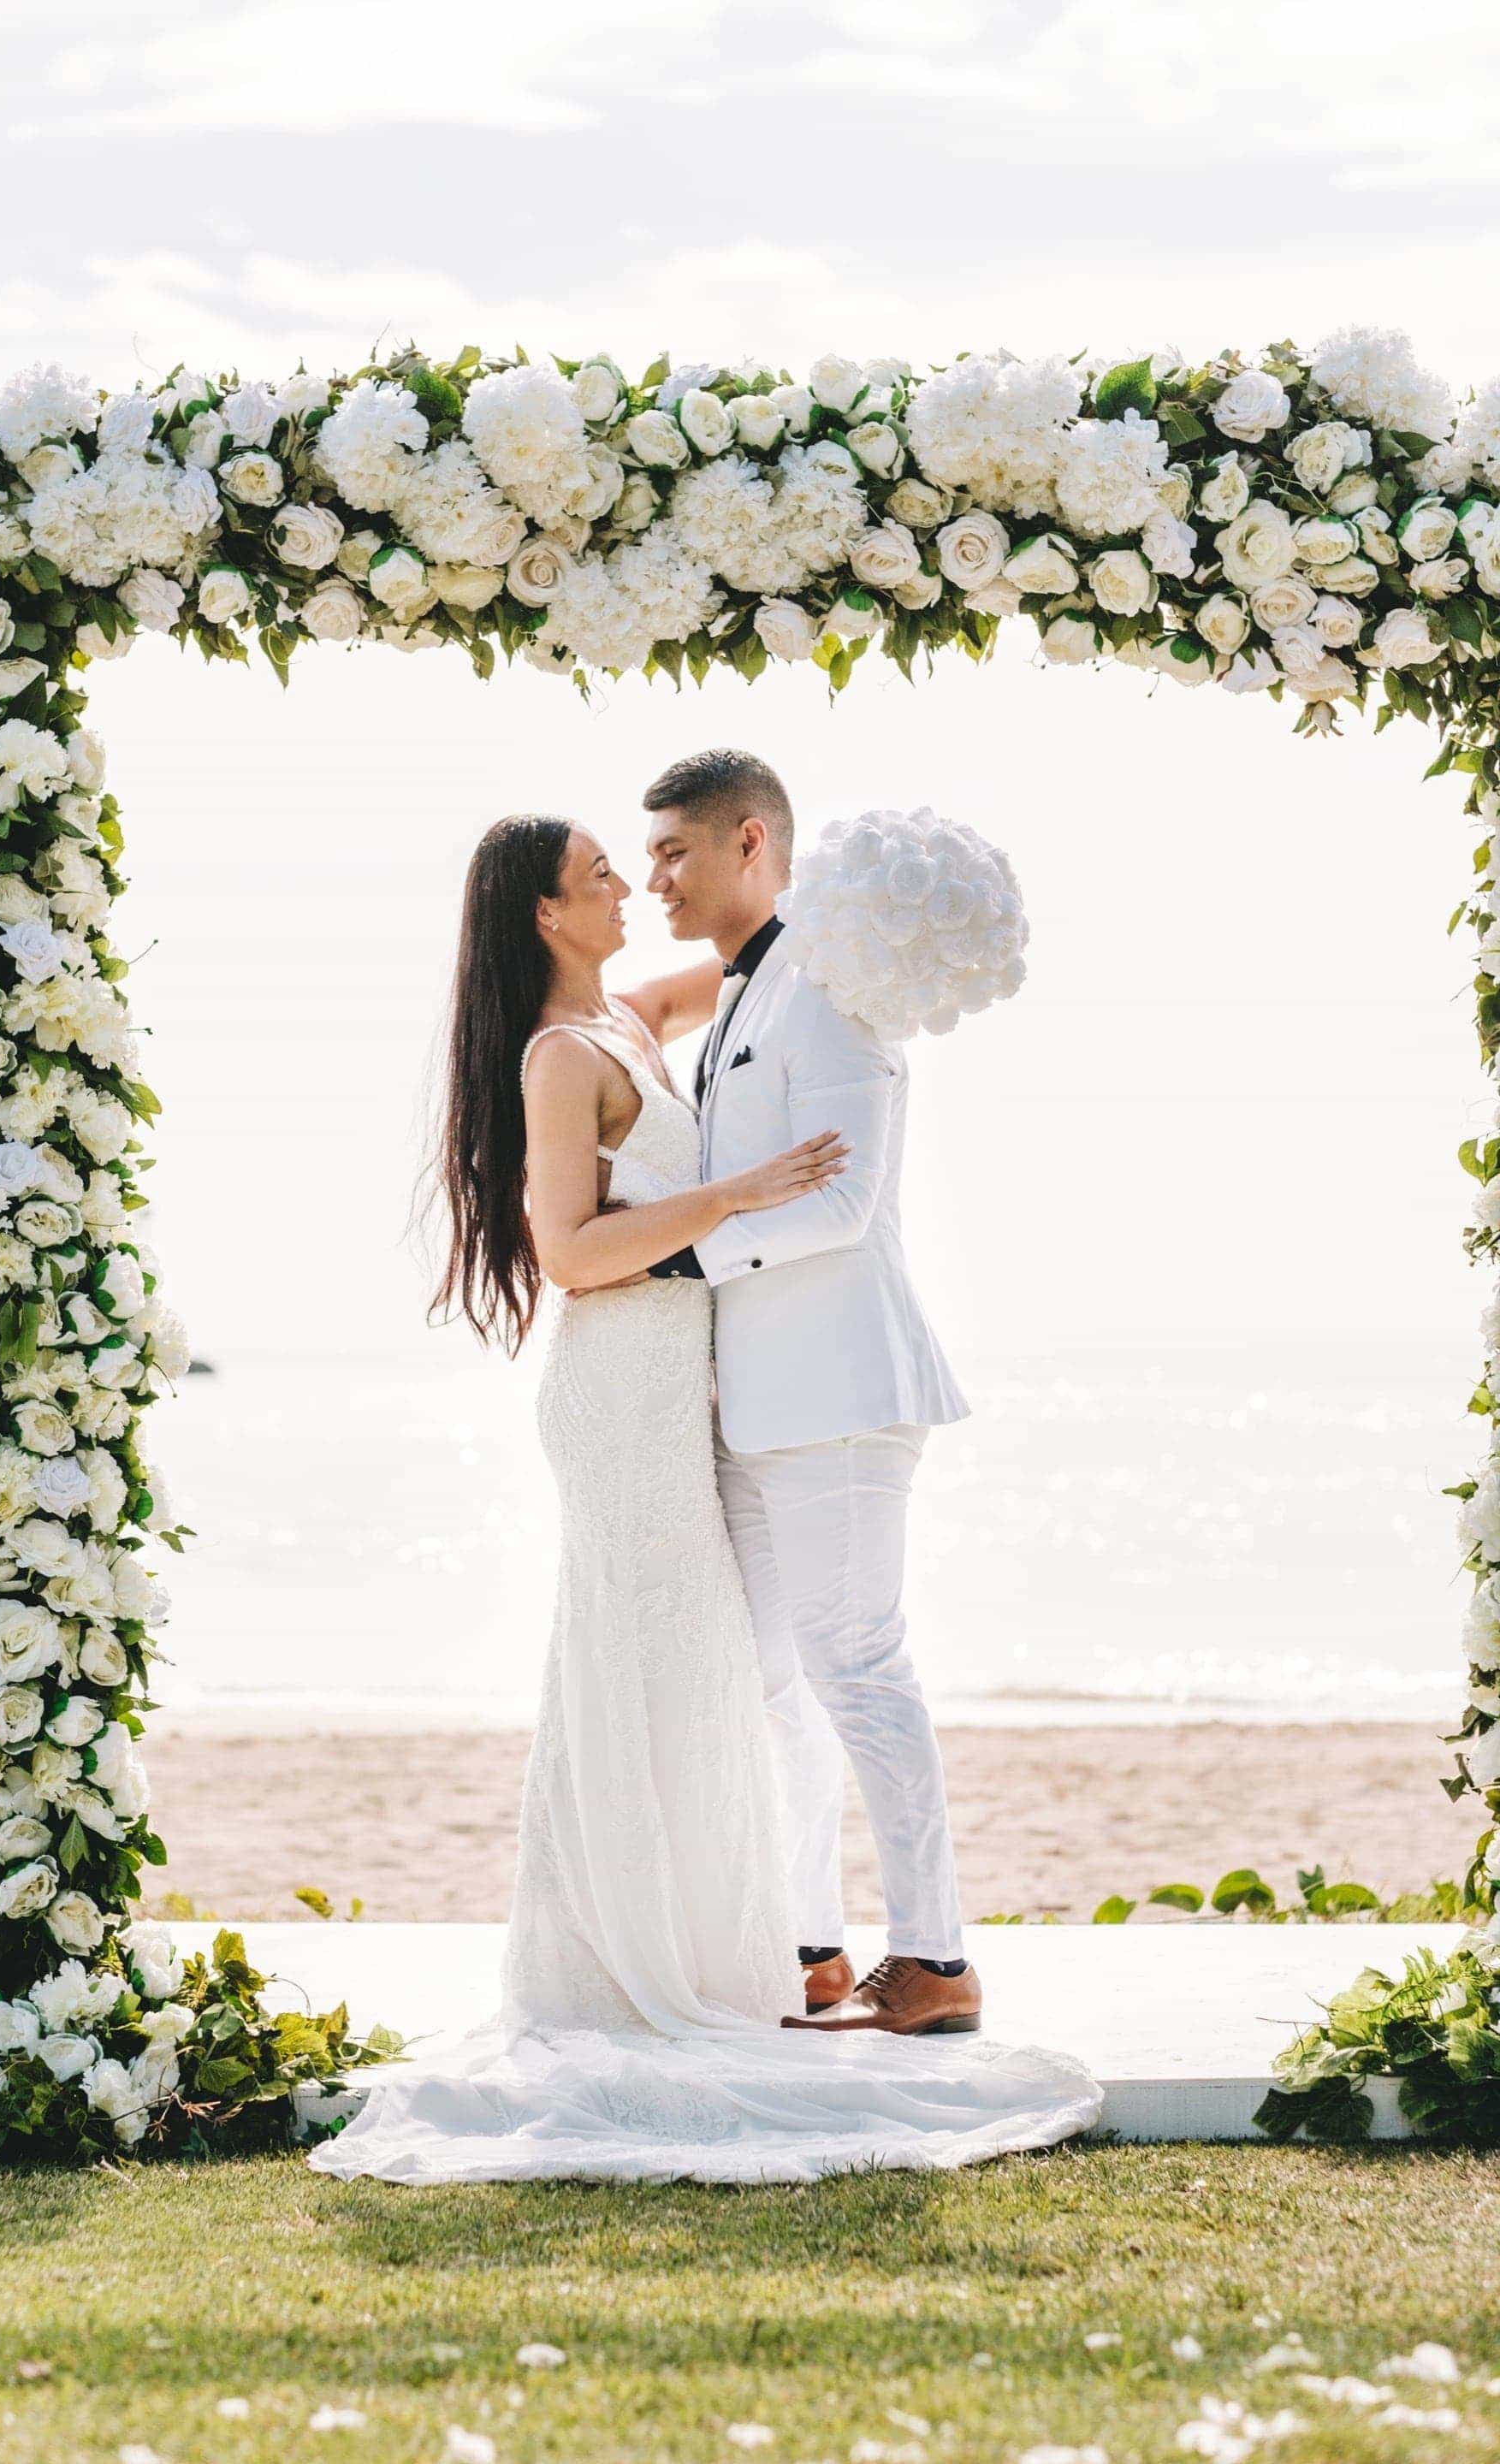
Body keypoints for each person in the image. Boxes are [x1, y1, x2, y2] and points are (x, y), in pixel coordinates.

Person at [306, 812, 1099, 2185]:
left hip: (695, 1394)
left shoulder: (623, 1015)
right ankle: (634, 1960)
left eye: (649, 857)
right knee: (648, 1667)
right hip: (623, 1392)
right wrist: (735, 1197)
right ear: (548, 914)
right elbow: (568, 1250)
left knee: (712, 1676)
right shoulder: (563, 1054)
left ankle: (740, 1944)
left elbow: (762, 968)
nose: (633, 883)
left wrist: (846, 928)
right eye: (606, 872)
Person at [639, 749, 973, 2037]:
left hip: (839, 1393)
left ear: (751, 844)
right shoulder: (745, 995)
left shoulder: (830, 995)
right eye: (649, 853)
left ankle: (936, 1956)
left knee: (859, 1668)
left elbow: (841, 1203)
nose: (659, 875)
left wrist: (674, 1253)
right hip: (759, 1405)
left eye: (676, 850)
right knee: (775, 1685)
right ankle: (812, 1946)